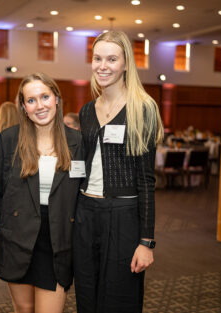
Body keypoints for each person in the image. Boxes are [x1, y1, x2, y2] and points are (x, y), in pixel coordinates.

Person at [73, 30, 163, 313]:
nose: (103, 65)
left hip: (124, 216)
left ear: (126, 63)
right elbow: (83, 165)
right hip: (87, 213)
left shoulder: (142, 108)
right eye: (97, 58)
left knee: (119, 299)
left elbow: (147, 180)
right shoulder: (87, 110)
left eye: (111, 59)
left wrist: (146, 241)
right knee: (86, 294)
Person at [0, 73, 84, 313]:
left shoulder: (77, 141)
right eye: (31, 100)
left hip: (56, 240)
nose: (40, 105)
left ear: (56, 98)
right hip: (19, 238)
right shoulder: (9, 139)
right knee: (23, 309)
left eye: (45, 96)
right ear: (23, 107)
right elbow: (0, 192)